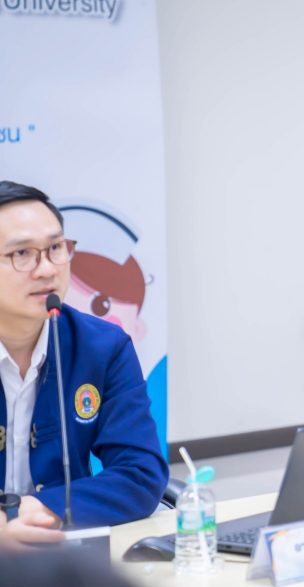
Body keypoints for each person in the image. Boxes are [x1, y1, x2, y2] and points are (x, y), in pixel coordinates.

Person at [0, 181, 167, 545]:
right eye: (22, 254)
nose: (46, 269)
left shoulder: (102, 347)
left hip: (61, 552)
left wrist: (34, 511)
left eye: (55, 248)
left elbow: (140, 474)